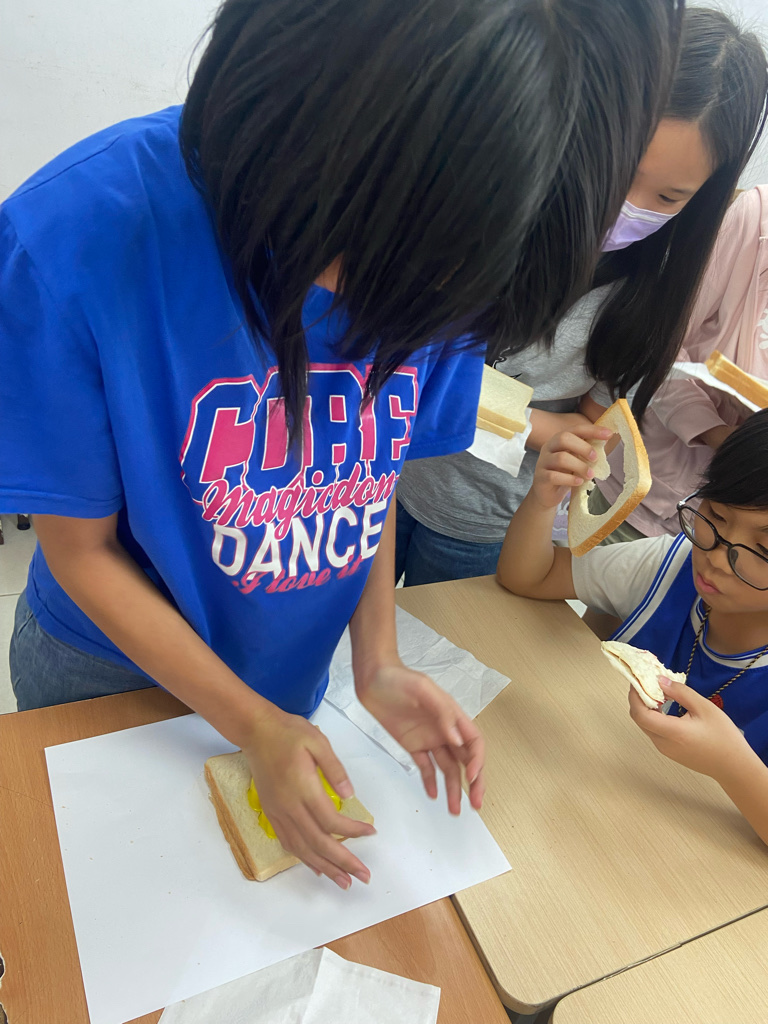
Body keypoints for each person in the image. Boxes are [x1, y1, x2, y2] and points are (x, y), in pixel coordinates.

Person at [0, 0, 683, 889]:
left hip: (286, 670)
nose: (383, 319)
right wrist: (251, 724)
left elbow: (369, 474)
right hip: (108, 672)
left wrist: (378, 657)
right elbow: (81, 551)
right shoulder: (80, 236)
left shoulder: (468, 232)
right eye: (372, 271)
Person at [396, 7, 768, 585]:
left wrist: (463, 397)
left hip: (485, 523)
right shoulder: (494, 216)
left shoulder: (650, 298)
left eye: (669, 197)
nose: (629, 206)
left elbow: (590, 432)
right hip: (387, 474)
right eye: (623, 172)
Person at [497, 414, 768, 846]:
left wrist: (731, 764)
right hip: (576, 810)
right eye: (716, 515)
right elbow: (530, 576)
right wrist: (544, 501)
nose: (716, 557)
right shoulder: (671, 565)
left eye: (764, 549)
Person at [593, 184, 768, 537]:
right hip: (651, 490)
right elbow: (662, 343)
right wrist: (718, 435)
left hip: (746, 536)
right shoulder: (756, 216)